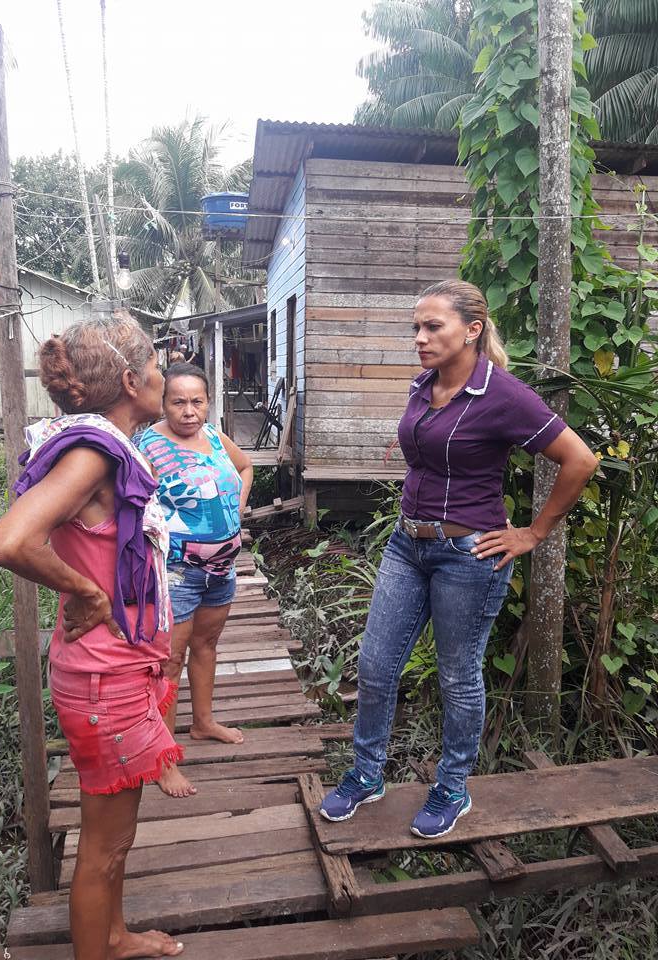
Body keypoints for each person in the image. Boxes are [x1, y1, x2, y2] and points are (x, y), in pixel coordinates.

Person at [320, 279, 597, 838]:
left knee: (458, 676)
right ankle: (367, 774)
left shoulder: (504, 395)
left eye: (432, 327)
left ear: (472, 329)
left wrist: (533, 532)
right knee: (375, 666)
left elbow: (580, 460)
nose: (419, 338)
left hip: (469, 556)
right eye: (415, 329)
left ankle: (453, 786)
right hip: (407, 544)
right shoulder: (423, 386)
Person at [0, 314, 183, 960]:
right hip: (105, 680)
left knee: (116, 841)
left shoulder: (100, 444)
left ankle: (116, 936)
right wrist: (89, 591)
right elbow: (10, 541)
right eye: (157, 368)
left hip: (117, 670)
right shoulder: (93, 452)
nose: (164, 377)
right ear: (131, 381)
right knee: (102, 848)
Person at [136, 362, 253, 798]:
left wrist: (235, 508)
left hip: (220, 570)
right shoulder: (147, 446)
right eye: (178, 401)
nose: (189, 411)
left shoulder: (216, 438)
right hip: (176, 572)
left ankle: (202, 722)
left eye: (197, 401)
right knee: (169, 662)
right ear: (163, 404)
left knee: (206, 646)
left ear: (208, 402)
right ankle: (163, 759)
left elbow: (245, 468)